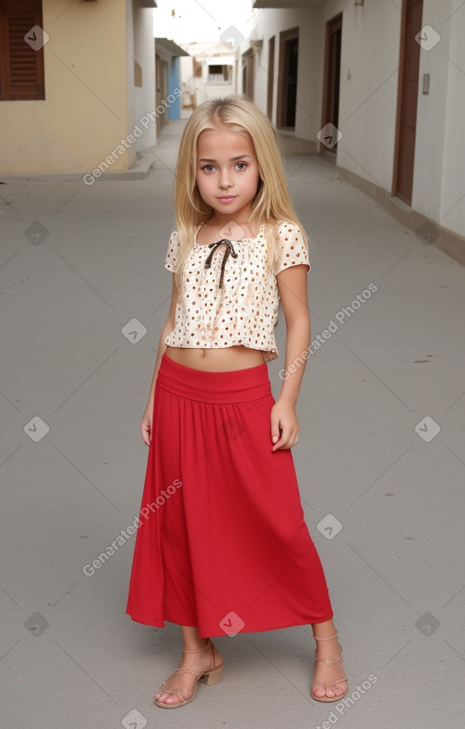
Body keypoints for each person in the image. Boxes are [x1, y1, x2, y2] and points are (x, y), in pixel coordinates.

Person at [126, 96, 348, 709]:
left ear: (262, 166)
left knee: (278, 520)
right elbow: (173, 320)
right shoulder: (186, 236)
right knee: (181, 523)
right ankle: (198, 649)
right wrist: (152, 396)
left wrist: (288, 398)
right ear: (192, 172)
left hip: (243, 397)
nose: (224, 180)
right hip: (177, 392)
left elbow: (299, 321)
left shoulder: (282, 234)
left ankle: (325, 639)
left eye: (239, 164)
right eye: (208, 167)